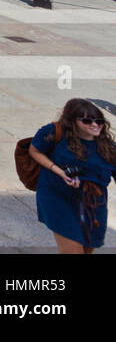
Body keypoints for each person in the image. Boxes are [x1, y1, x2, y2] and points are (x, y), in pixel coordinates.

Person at [28, 99, 116, 253]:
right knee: (73, 250)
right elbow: (35, 151)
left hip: (93, 204)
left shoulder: (108, 147)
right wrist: (59, 171)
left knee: (86, 248)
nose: (95, 125)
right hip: (58, 197)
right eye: (87, 121)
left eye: (99, 121)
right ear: (73, 122)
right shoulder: (54, 133)